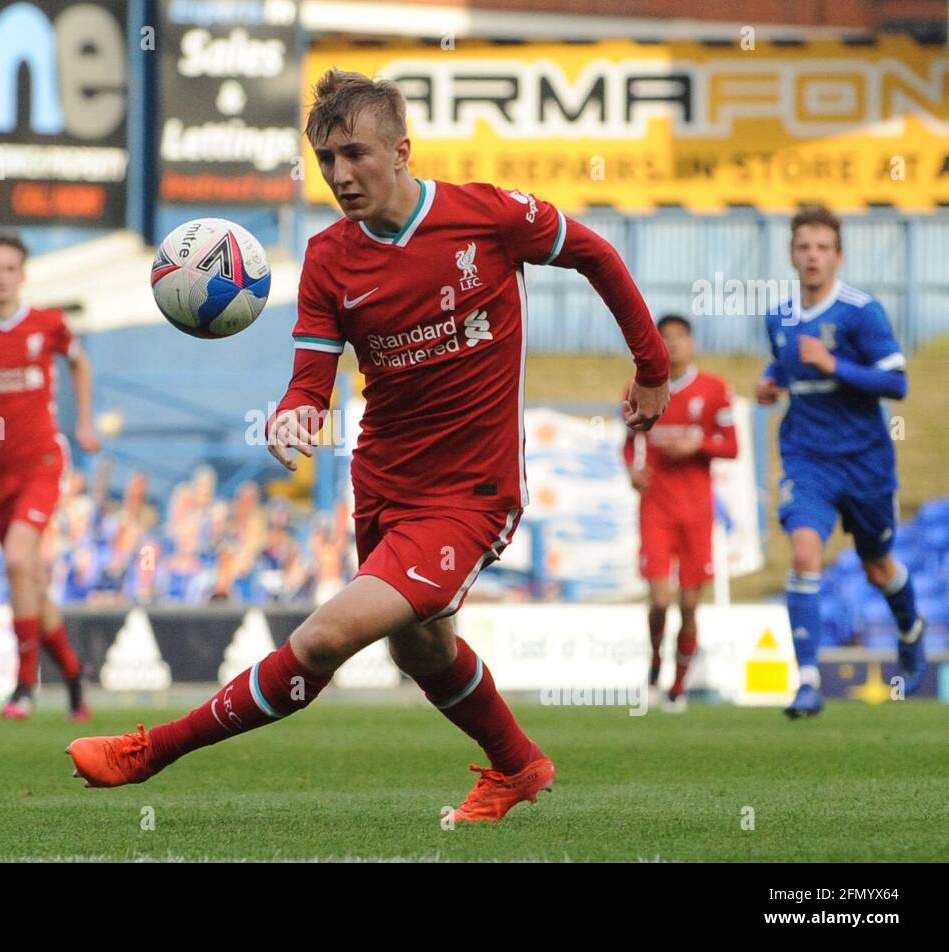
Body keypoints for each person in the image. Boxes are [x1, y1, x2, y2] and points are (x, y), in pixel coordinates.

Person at [68, 69, 668, 822]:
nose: (341, 175)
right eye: (326, 160)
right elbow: (311, 377)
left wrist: (652, 367)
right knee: (421, 650)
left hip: (471, 496)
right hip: (382, 484)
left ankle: (151, 752)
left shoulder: (487, 217)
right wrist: (295, 413)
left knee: (324, 637)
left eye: (355, 154)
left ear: (402, 150)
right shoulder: (328, 258)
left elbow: (596, 255)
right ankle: (518, 767)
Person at [757, 205, 925, 718]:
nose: (812, 256)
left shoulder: (861, 311)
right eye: (803, 247)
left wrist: (835, 364)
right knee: (804, 552)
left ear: (838, 256)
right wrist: (770, 384)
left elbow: (896, 383)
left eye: (822, 248)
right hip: (807, 459)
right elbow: (785, 366)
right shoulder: (778, 316)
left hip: (866, 464)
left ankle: (909, 628)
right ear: (791, 254)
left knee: (878, 568)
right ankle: (807, 680)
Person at [0, 233, 101, 720]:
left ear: (23, 275)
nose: (2, 277)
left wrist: (86, 421)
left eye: (11, 268)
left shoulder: (47, 323)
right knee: (25, 573)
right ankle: (72, 674)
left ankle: (24, 686)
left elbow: (80, 363)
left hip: (43, 462)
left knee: (15, 556)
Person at [623, 315, 738, 711]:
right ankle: (655, 659)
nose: (672, 345)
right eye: (664, 338)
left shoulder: (715, 390)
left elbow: (732, 446)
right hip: (655, 507)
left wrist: (699, 445)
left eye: (679, 338)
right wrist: (633, 471)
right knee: (660, 600)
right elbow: (627, 442)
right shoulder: (641, 388)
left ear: (692, 343)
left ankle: (679, 686)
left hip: (697, 513)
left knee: (689, 604)